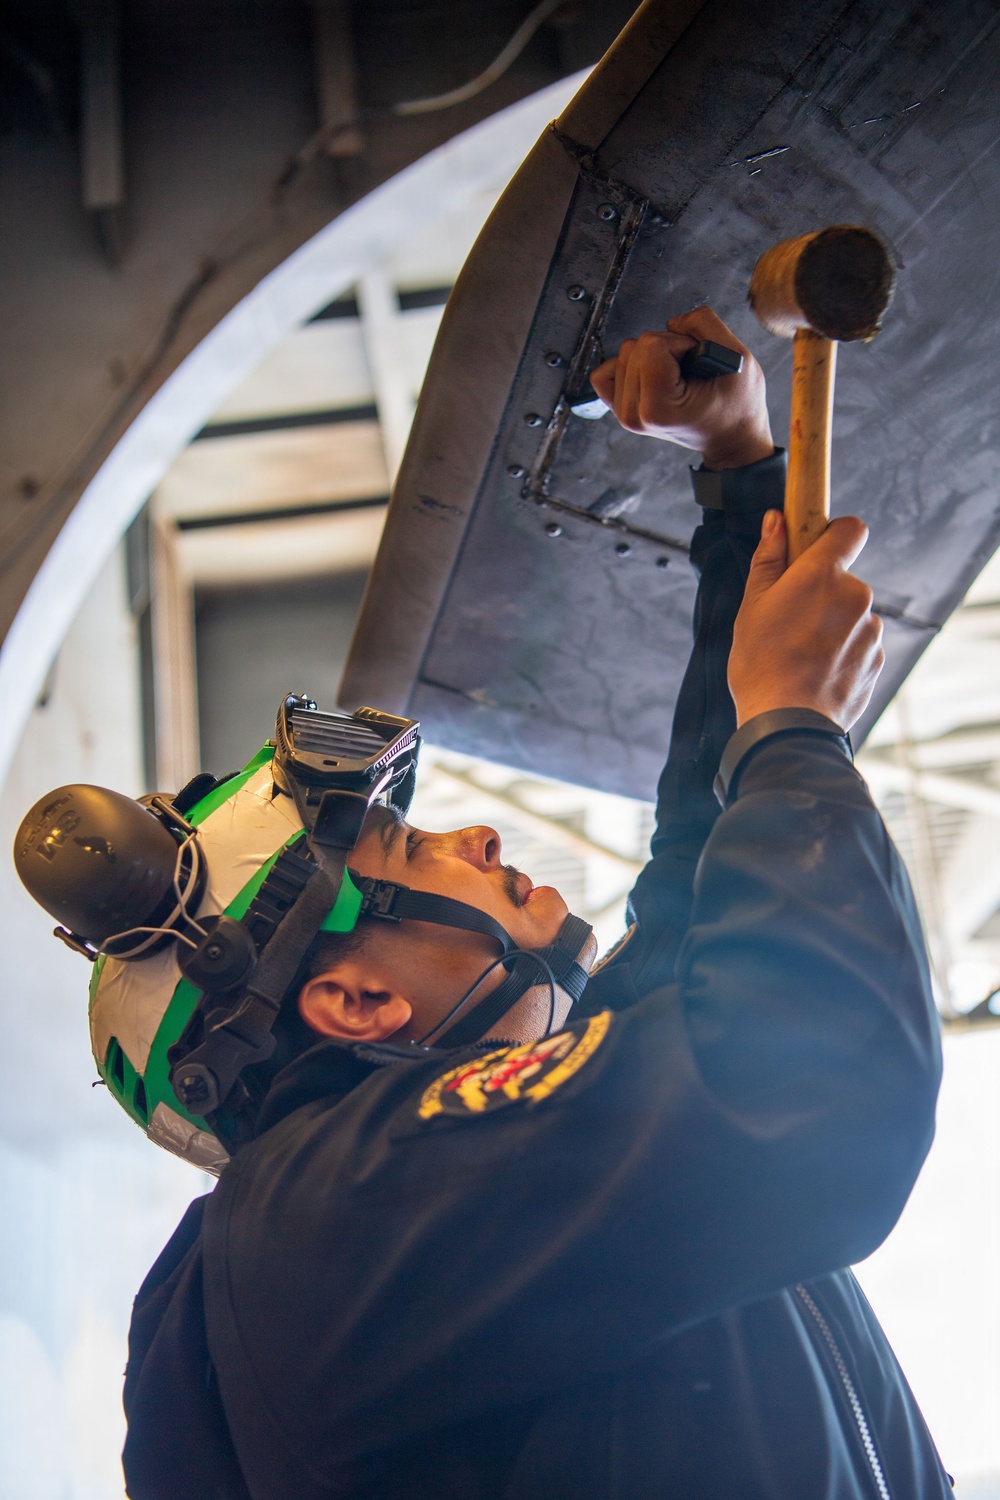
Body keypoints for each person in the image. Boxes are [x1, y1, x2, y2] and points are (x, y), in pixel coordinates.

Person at [19, 308, 950, 1497]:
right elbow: (813, 1094)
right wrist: (793, 729)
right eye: (412, 850)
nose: (478, 834)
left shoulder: (456, 1196)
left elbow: (700, 862)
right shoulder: (332, 1218)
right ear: (352, 999)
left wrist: (736, 473)